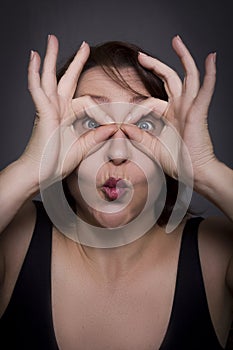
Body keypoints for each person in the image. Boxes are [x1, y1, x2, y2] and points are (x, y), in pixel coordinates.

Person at [0, 34, 232, 349]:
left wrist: (205, 168)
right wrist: (30, 167)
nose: (118, 151)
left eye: (144, 126)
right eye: (92, 123)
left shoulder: (217, 253)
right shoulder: (16, 235)